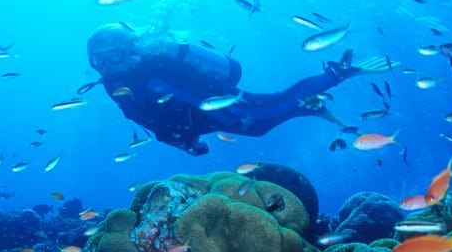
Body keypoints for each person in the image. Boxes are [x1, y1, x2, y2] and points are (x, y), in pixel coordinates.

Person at [86, 23, 395, 155]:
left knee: (269, 113)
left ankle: (337, 73)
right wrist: (182, 142)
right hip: (199, 121)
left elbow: (189, 96)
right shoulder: (114, 85)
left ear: (128, 50)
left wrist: (226, 116)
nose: (105, 65)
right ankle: (312, 104)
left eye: (111, 55)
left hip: (216, 108)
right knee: (274, 108)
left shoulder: (147, 74)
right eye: (97, 60)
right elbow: (141, 118)